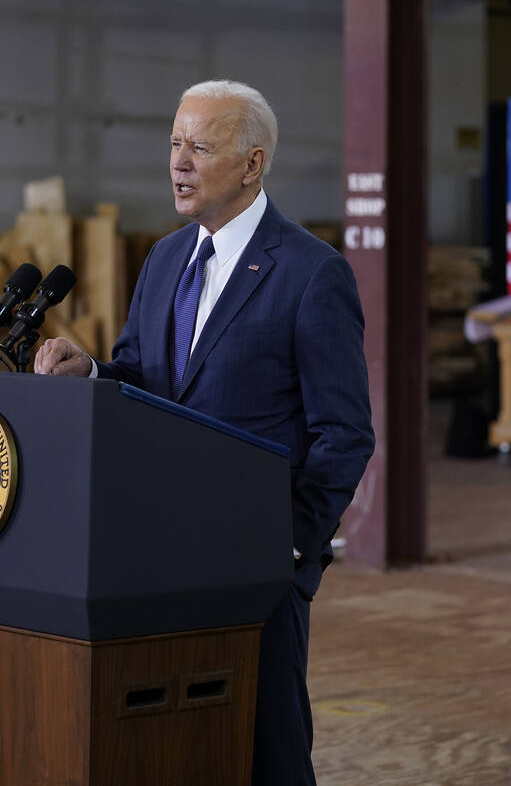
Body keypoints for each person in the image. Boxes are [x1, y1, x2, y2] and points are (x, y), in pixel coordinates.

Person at [34, 80, 374, 785]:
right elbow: (142, 377)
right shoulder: (163, 260)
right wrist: (91, 371)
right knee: (177, 749)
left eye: (199, 147)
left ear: (252, 164)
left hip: (257, 565)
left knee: (269, 755)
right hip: (158, 553)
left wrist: (289, 545)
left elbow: (345, 432)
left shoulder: (312, 274)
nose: (178, 163)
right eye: (173, 144)